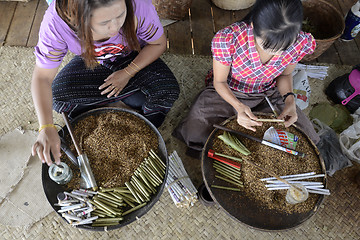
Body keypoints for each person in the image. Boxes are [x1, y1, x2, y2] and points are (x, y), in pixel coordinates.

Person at [31, 0, 179, 166]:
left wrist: (127, 73)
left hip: (134, 57)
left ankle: (116, 105)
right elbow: (42, 78)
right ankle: (122, 102)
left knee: (167, 90)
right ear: (78, 22)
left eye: (121, 14)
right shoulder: (56, 24)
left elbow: (158, 44)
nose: (116, 27)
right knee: (58, 97)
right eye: (104, 23)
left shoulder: (138, 5)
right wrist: (45, 126)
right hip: (94, 62)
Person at [174, 0, 320, 153]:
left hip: (267, 94)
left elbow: (286, 74)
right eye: (267, 46)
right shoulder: (229, 39)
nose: (274, 53)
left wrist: (290, 100)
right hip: (229, 92)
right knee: (196, 129)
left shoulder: (299, 42)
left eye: (282, 49)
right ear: (253, 26)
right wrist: (238, 106)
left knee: (306, 138)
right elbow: (219, 81)